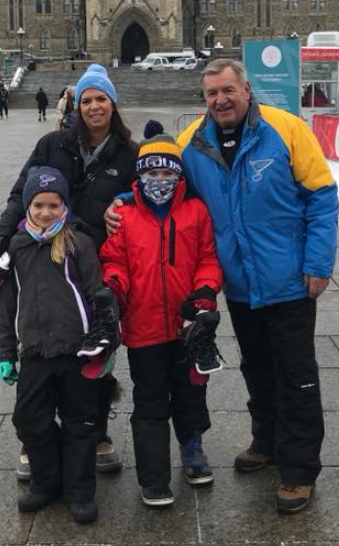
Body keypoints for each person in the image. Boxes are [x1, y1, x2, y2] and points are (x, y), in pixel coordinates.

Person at [105, 59, 339, 514]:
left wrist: (317, 262)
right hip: (238, 286)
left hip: (288, 279)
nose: (220, 100)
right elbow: (157, 180)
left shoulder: (286, 129)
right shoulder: (193, 140)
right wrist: (119, 204)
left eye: (228, 90)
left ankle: (298, 470)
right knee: (257, 368)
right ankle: (266, 442)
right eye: (212, 93)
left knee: (296, 375)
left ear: (246, 89)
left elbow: (322, 196)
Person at [0, 63, 138, 481]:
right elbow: (22, 192)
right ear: (76, 104)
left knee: (96, 352)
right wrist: (5, 236)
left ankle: (96, 432)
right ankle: (36, 440)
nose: (94, 107)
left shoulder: (128, 153)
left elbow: (144, 192)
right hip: (45, 262)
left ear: (113, 104)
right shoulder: (53, 143)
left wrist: (124, 199)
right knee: (43, 350)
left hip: (97, 264)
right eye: (87, 99)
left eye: (101, 99)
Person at [100, 123, 223, 507]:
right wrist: (115, 288)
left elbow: (208, 258)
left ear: (179, 174)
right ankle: (153, 475)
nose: (160, 179)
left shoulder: (196, 211)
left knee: (191, 391)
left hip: (189, 325)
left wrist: (205, 291)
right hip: (143, 326)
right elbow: (114, 260)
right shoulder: (125, 216)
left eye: (167, 172)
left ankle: (192, 448)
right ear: (140, 176)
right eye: (152, 173)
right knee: (150, 400)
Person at [0, 165, 115, 523]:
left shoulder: (79, 241)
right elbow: (7, 305)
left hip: (78, 350)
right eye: (39, 205)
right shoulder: (16, 247)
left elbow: (99, 295)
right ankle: (47, 483)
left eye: (54, 205)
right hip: (35, 351)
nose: (46, 212)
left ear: (64, 206)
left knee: (81, 422)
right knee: (30, 419)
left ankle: (79, 489)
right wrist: (5, 353)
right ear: (28, 207)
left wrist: (107, 345)